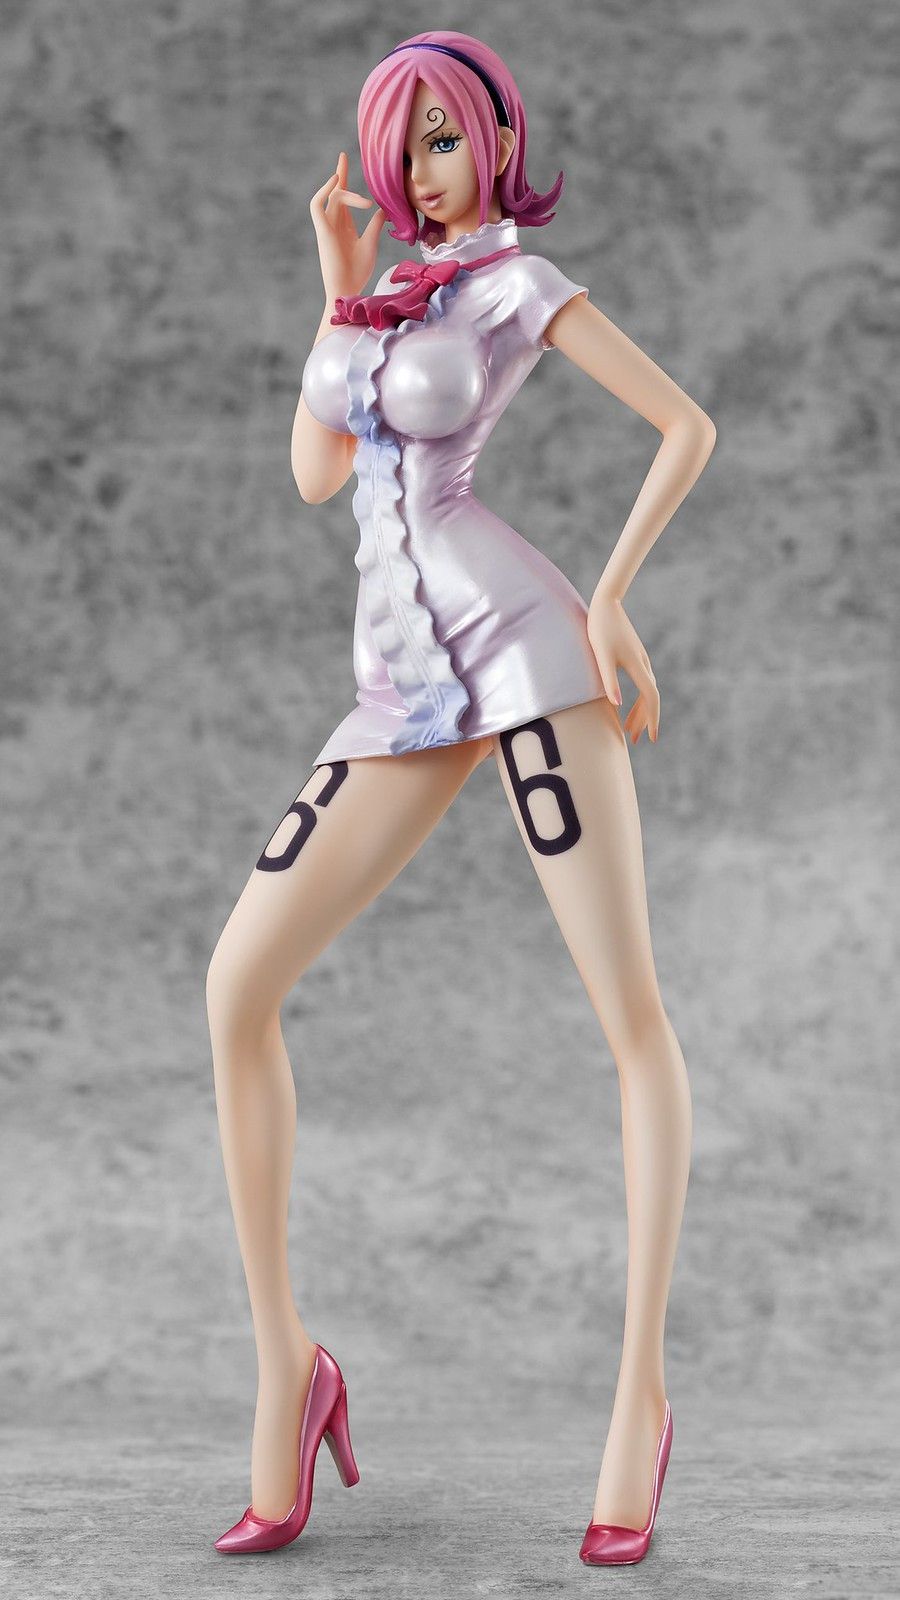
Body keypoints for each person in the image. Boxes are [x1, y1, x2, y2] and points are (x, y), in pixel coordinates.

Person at [207, 29, 715, 1563]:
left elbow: (686, 425)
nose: (423, 171)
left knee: (629, 1019)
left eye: (444, 139)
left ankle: (639, 1397)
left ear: (493, 137)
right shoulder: (388, 294)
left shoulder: (514, 284)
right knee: (236, 990)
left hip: (527, 652)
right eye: (402, 145)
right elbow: (315, 477)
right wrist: (337, 281)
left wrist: (610, 601)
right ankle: (289, 1366)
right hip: (398, 687)